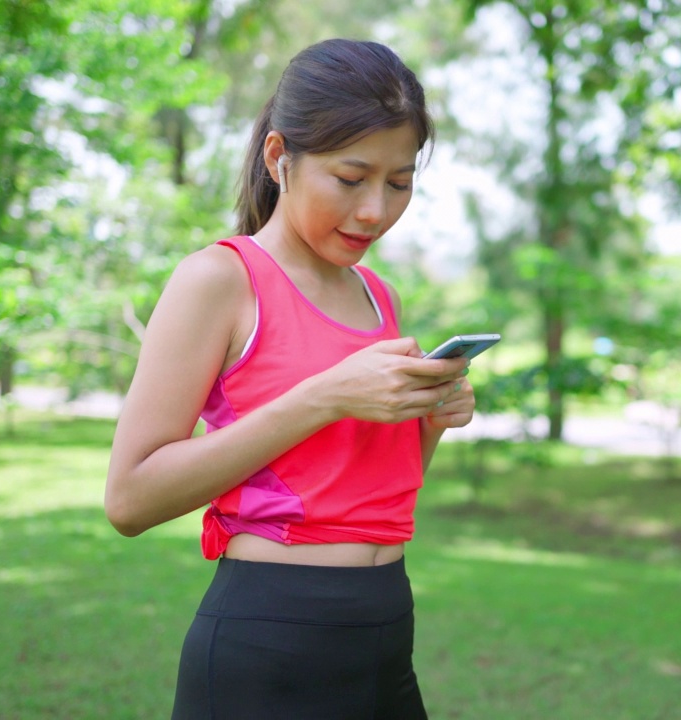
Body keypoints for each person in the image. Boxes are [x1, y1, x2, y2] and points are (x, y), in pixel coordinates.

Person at [104, 38, 475, 719]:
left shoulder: (377, 295)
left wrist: (429, 415)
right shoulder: (219, 280)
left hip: (387, 634)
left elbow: (368, 495)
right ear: (280, 157)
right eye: (350, 177)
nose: (375, 211)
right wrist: (325, 395)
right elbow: (130, 500)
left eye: (399, 183)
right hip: (269, 644)